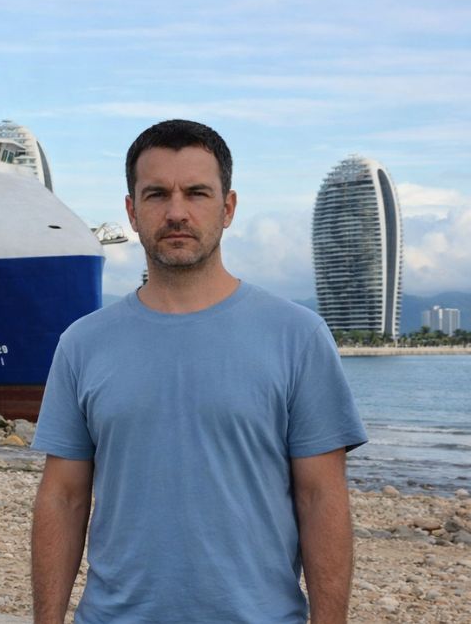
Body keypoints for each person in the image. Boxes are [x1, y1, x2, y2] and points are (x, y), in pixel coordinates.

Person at [30, 119, 367, 623]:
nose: (177, 212)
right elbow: (63, 496)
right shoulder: (83, 343)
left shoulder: (297, 335)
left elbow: (321, 497)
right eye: (157, 194)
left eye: (197, 193)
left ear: (227, 208)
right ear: (132, 211)